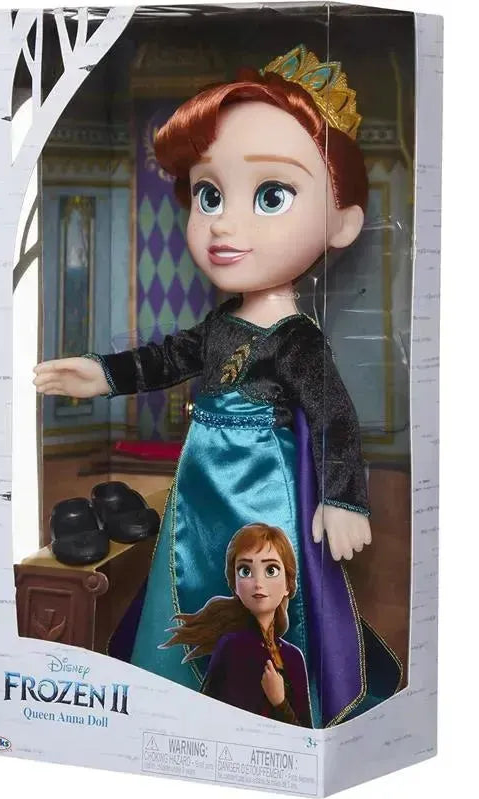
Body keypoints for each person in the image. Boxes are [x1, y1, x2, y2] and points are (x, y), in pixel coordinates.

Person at [34, 45, 401, 727]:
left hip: (263, 486)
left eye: (271, 196)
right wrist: (104, 374)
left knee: (263, 576)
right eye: (209, 195)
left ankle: (267, 696)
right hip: (202, 477)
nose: (225, 223)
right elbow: (170, 357)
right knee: (189, 569)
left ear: (343, 222)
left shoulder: (296, 338)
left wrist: (344, 496)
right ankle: (173, 686)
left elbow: (334, 417)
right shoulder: (222, 324)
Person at [163, 523, 312, 727]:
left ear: (288, 584)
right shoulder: (232, 647)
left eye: (271, 570)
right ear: (235, 583)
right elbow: (213, 721)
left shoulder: (293, 657)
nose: (258, 583)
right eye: (245, 570)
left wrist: (279, 701)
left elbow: (306, 736)